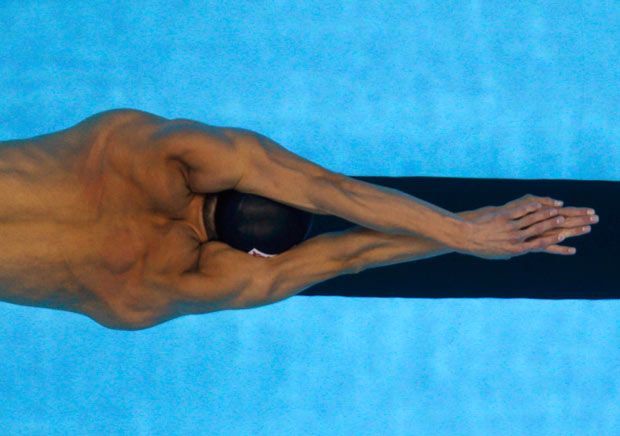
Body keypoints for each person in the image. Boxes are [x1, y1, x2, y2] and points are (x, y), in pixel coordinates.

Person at [0, 109, 598, 330]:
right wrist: (469, 235)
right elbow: (347, 253)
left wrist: (466, 227)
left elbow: (328, 189)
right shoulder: (139, 293)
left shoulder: (132, 147)